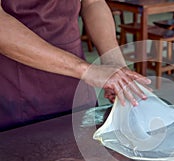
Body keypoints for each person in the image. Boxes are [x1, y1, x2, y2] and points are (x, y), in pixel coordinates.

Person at [0, 0, 151, 131]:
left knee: (85, 151)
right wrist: (86, 70)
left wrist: (114, 62)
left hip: (75, 83)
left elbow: (93, 3)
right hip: (18, 82)